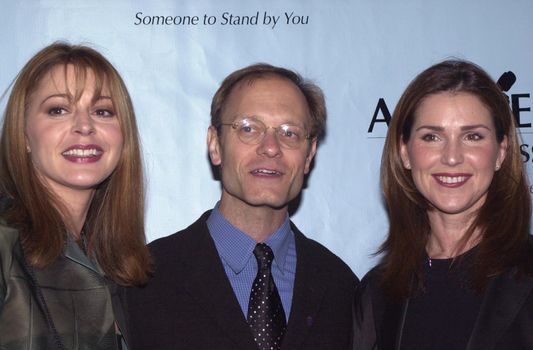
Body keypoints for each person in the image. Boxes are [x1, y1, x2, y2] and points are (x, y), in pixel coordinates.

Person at [123, 63, 358, 350]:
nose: (270, 147)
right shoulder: (145, 280)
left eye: (290, 133)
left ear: (309, 155)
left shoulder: (341, 288)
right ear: (215, 144)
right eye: (248, 128)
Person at [353, 60, 533, 349]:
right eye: (432, 137)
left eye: (472, 136)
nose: (452, 156)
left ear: (501, 152)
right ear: (405, 153)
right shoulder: (377, 294)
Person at [0, 42, 152, 349]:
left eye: (102, 111)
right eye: (58, 109)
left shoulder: (120, 267)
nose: (85, 126)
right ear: (25, 134)